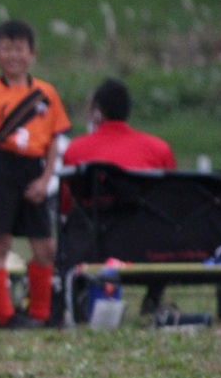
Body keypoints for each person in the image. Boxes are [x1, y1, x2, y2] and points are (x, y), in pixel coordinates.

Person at [0, 19, 70, 329]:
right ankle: (5, 316)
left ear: (31, 54)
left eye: (19, 49)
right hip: (1, 167)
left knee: (45, 248)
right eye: (6, 49)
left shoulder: (46, 93)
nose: (13, 56)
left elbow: (53, 142)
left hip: (33, 169)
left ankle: (40, 313)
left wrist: (45, 180)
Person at [62, 77, 175, 312]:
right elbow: (169, 203)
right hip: (147, 246)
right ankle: (153, 296)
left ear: (98, 112)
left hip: (92, 244)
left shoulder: (77, 149)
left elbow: (66, 204)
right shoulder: (158, 149)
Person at [62, 78, 175, 171]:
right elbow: (171, 190)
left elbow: (66, 191)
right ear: (128, 110)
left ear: (98, 112)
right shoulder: (159, 151)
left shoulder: (74, 151)